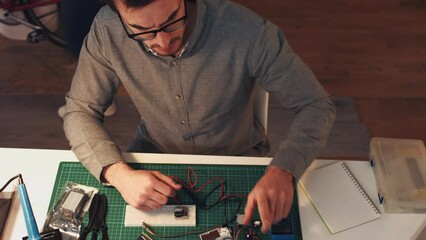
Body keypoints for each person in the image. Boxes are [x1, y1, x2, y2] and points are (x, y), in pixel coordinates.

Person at [62, 0, 336, 233]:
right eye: (141, 31)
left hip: (237, 156)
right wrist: (118, 174)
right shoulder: (107, 30)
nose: (163, 41)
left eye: (172, 21)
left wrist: (284, 169)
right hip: (154, 156)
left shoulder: (248, 31)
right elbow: (79, 111)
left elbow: (316, 105)